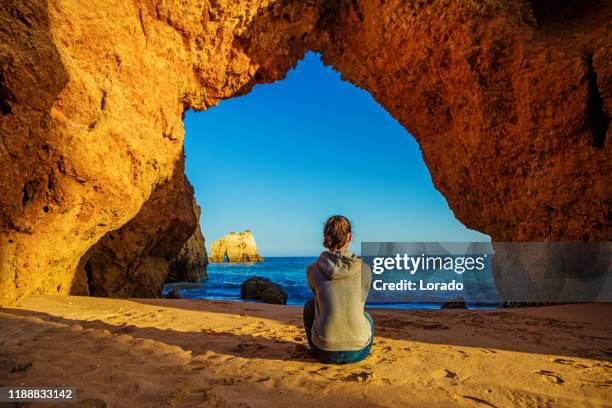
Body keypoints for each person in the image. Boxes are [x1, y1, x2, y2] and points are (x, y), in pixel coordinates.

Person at [303, 215, 374, 364]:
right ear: (349, 237)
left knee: (310, 306)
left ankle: (322, 342)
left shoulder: (312, 270)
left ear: (326, 237)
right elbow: (359, 306)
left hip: (324, 352)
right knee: (367, 317)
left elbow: (320, 299)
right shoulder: (365, 270)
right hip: (357, 352)